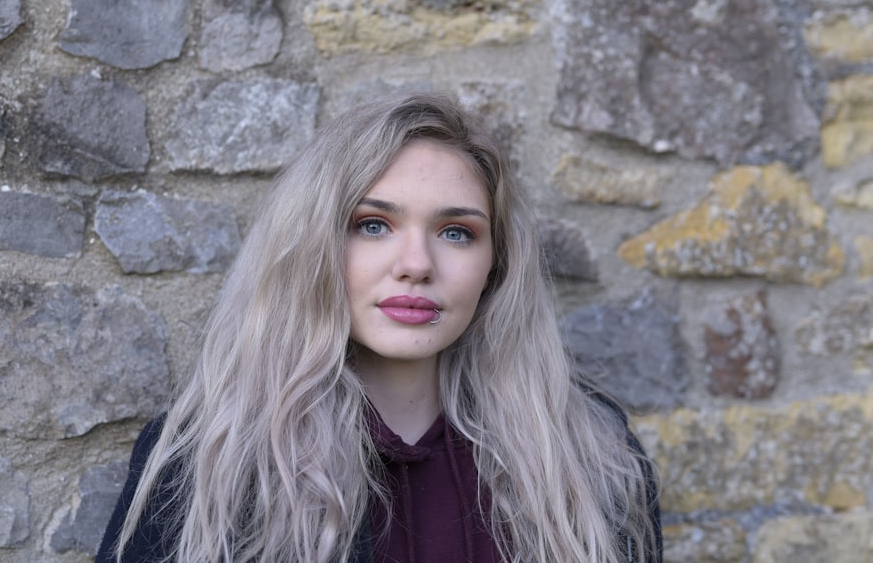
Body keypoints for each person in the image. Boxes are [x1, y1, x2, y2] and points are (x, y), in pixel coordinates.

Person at [97, 93, 661, 562]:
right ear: (315, 246)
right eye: (373, 225)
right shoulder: (208, 460)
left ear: (497, 266)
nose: (415, 263)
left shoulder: (594, 459)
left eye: (456, 232)